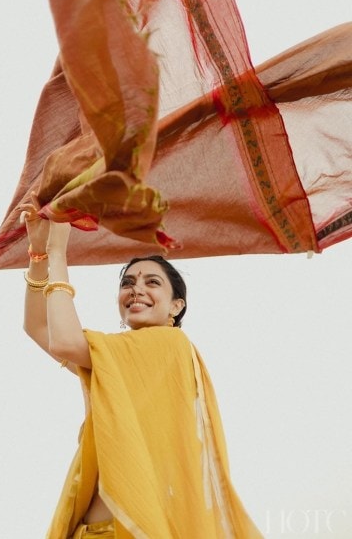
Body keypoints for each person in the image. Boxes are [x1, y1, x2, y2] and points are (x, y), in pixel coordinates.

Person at [20, 196, 263, 539]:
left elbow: (63, 340)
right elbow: (39, 329)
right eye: (128, 282)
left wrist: (59, 252)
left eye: (152, 282)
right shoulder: (115, 361)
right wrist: (38, 254)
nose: (136, 289)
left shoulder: (169, 345)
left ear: (176, 306)